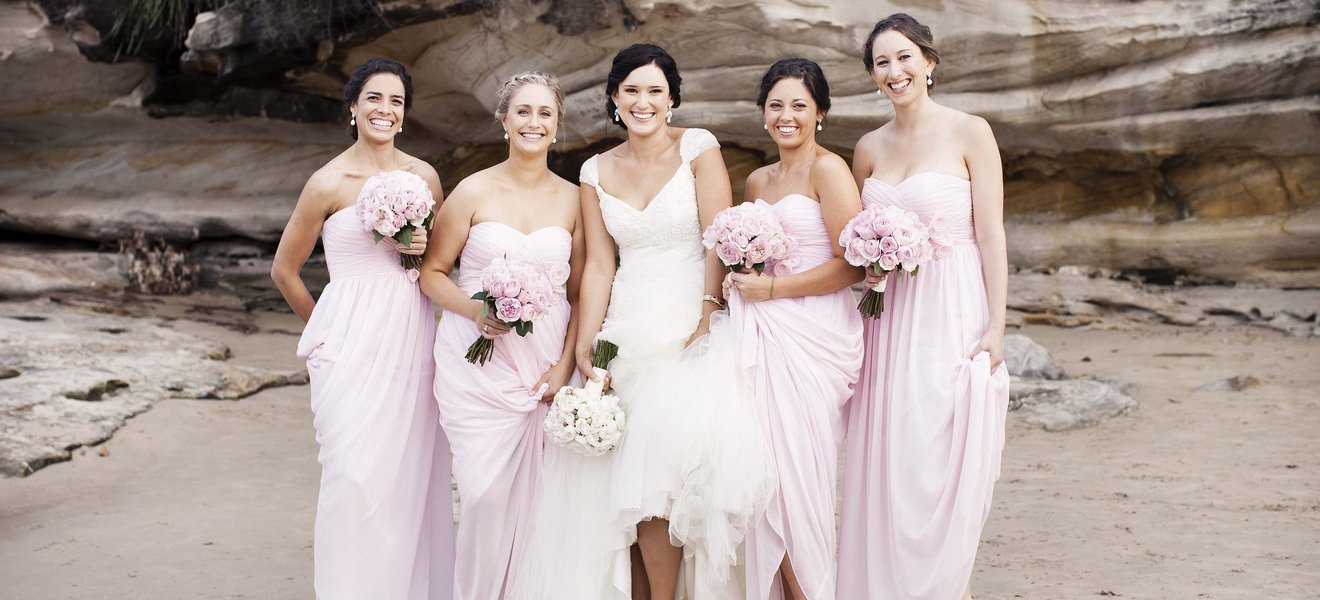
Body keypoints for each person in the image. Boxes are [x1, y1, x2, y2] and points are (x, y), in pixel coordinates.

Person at [836, 13, 1011, 600]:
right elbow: (850, 238)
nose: (895, 71)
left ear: (929, 62)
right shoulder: (867, 148)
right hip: (887, 316)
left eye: (905, 57)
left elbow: (991, 233)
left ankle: (940, 586)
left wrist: (998, 327)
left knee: (938, 447)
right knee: (889, 450)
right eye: (882, 62)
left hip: (951, 307)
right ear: (872, 75)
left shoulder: (970, 132)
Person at [271, 56, 455, 600]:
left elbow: (441, 268)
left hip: (409, 339)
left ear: (404, 115)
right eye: (374, 98)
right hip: (347, 346)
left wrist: (420, 252)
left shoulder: (424, 178)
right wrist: (325, 328)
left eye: (396, 101)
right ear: (353, 107)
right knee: (351, 477)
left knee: (404, 481)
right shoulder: (326, 182)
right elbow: (284, 270)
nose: (385, 109)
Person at [419, 71, 582, 600]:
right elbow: (432, 273)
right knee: (485, 495)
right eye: (523, 112)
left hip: (544, 366)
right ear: (504, 120)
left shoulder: (577, 199)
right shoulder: (472, 189)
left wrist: (564, 366)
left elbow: (580, 292)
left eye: (545, 114)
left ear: (558, 126)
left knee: (543, 500)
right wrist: (475, 309)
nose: (534, 122)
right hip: (478, 368)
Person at [729, 58, 864, 600]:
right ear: (763, 113)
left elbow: (851, 264)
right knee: (760, 479)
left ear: (820, 113)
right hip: (757, 331)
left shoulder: (829, 171)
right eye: (776, 105)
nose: (787, 116)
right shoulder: (757, 180)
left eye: (799, 106)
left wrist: (775, 290)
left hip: (812, 335)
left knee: (796, 484)